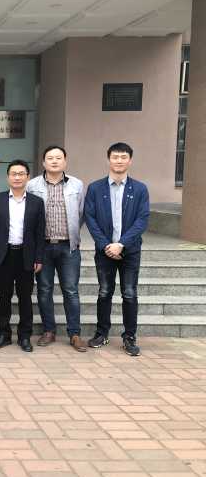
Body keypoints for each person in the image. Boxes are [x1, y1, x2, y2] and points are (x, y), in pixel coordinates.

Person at [85, 142, 149, 357]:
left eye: (123, 157)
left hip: (130, 251)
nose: (119, 161)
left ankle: (129, 337)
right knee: (104, 291)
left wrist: (121, 244)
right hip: (104, 251)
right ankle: (101, 333)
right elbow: (90, 218)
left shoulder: (140, 189)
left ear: (130, 160)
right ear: (108, 159)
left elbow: (142, 220)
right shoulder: (95, 188)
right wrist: (106, 245)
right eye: (115, 157)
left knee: (129, 293)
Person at [26, 146, 87, 352]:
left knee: (71, 290)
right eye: (50, 158)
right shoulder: (32, 185)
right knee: (44, 290)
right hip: (43, 246)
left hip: (68, 246)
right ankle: (49, 330)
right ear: (43, 162)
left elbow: (81, 213)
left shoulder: (77, 184)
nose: (54, 161)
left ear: (65, 161)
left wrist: (72, 234)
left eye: (58, 158)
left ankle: (74, 333)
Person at [0, 160, 45, 353]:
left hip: (26, 256)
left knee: (25, 298)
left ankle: (24, 336)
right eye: (13, 174)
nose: (17, 177)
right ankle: (3, 334)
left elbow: (39, 233)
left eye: (21, 174)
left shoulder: (36, 202)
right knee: (4, 296)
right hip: (4, 255)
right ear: (8, 177)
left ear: (28, 177)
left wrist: (39, 258)